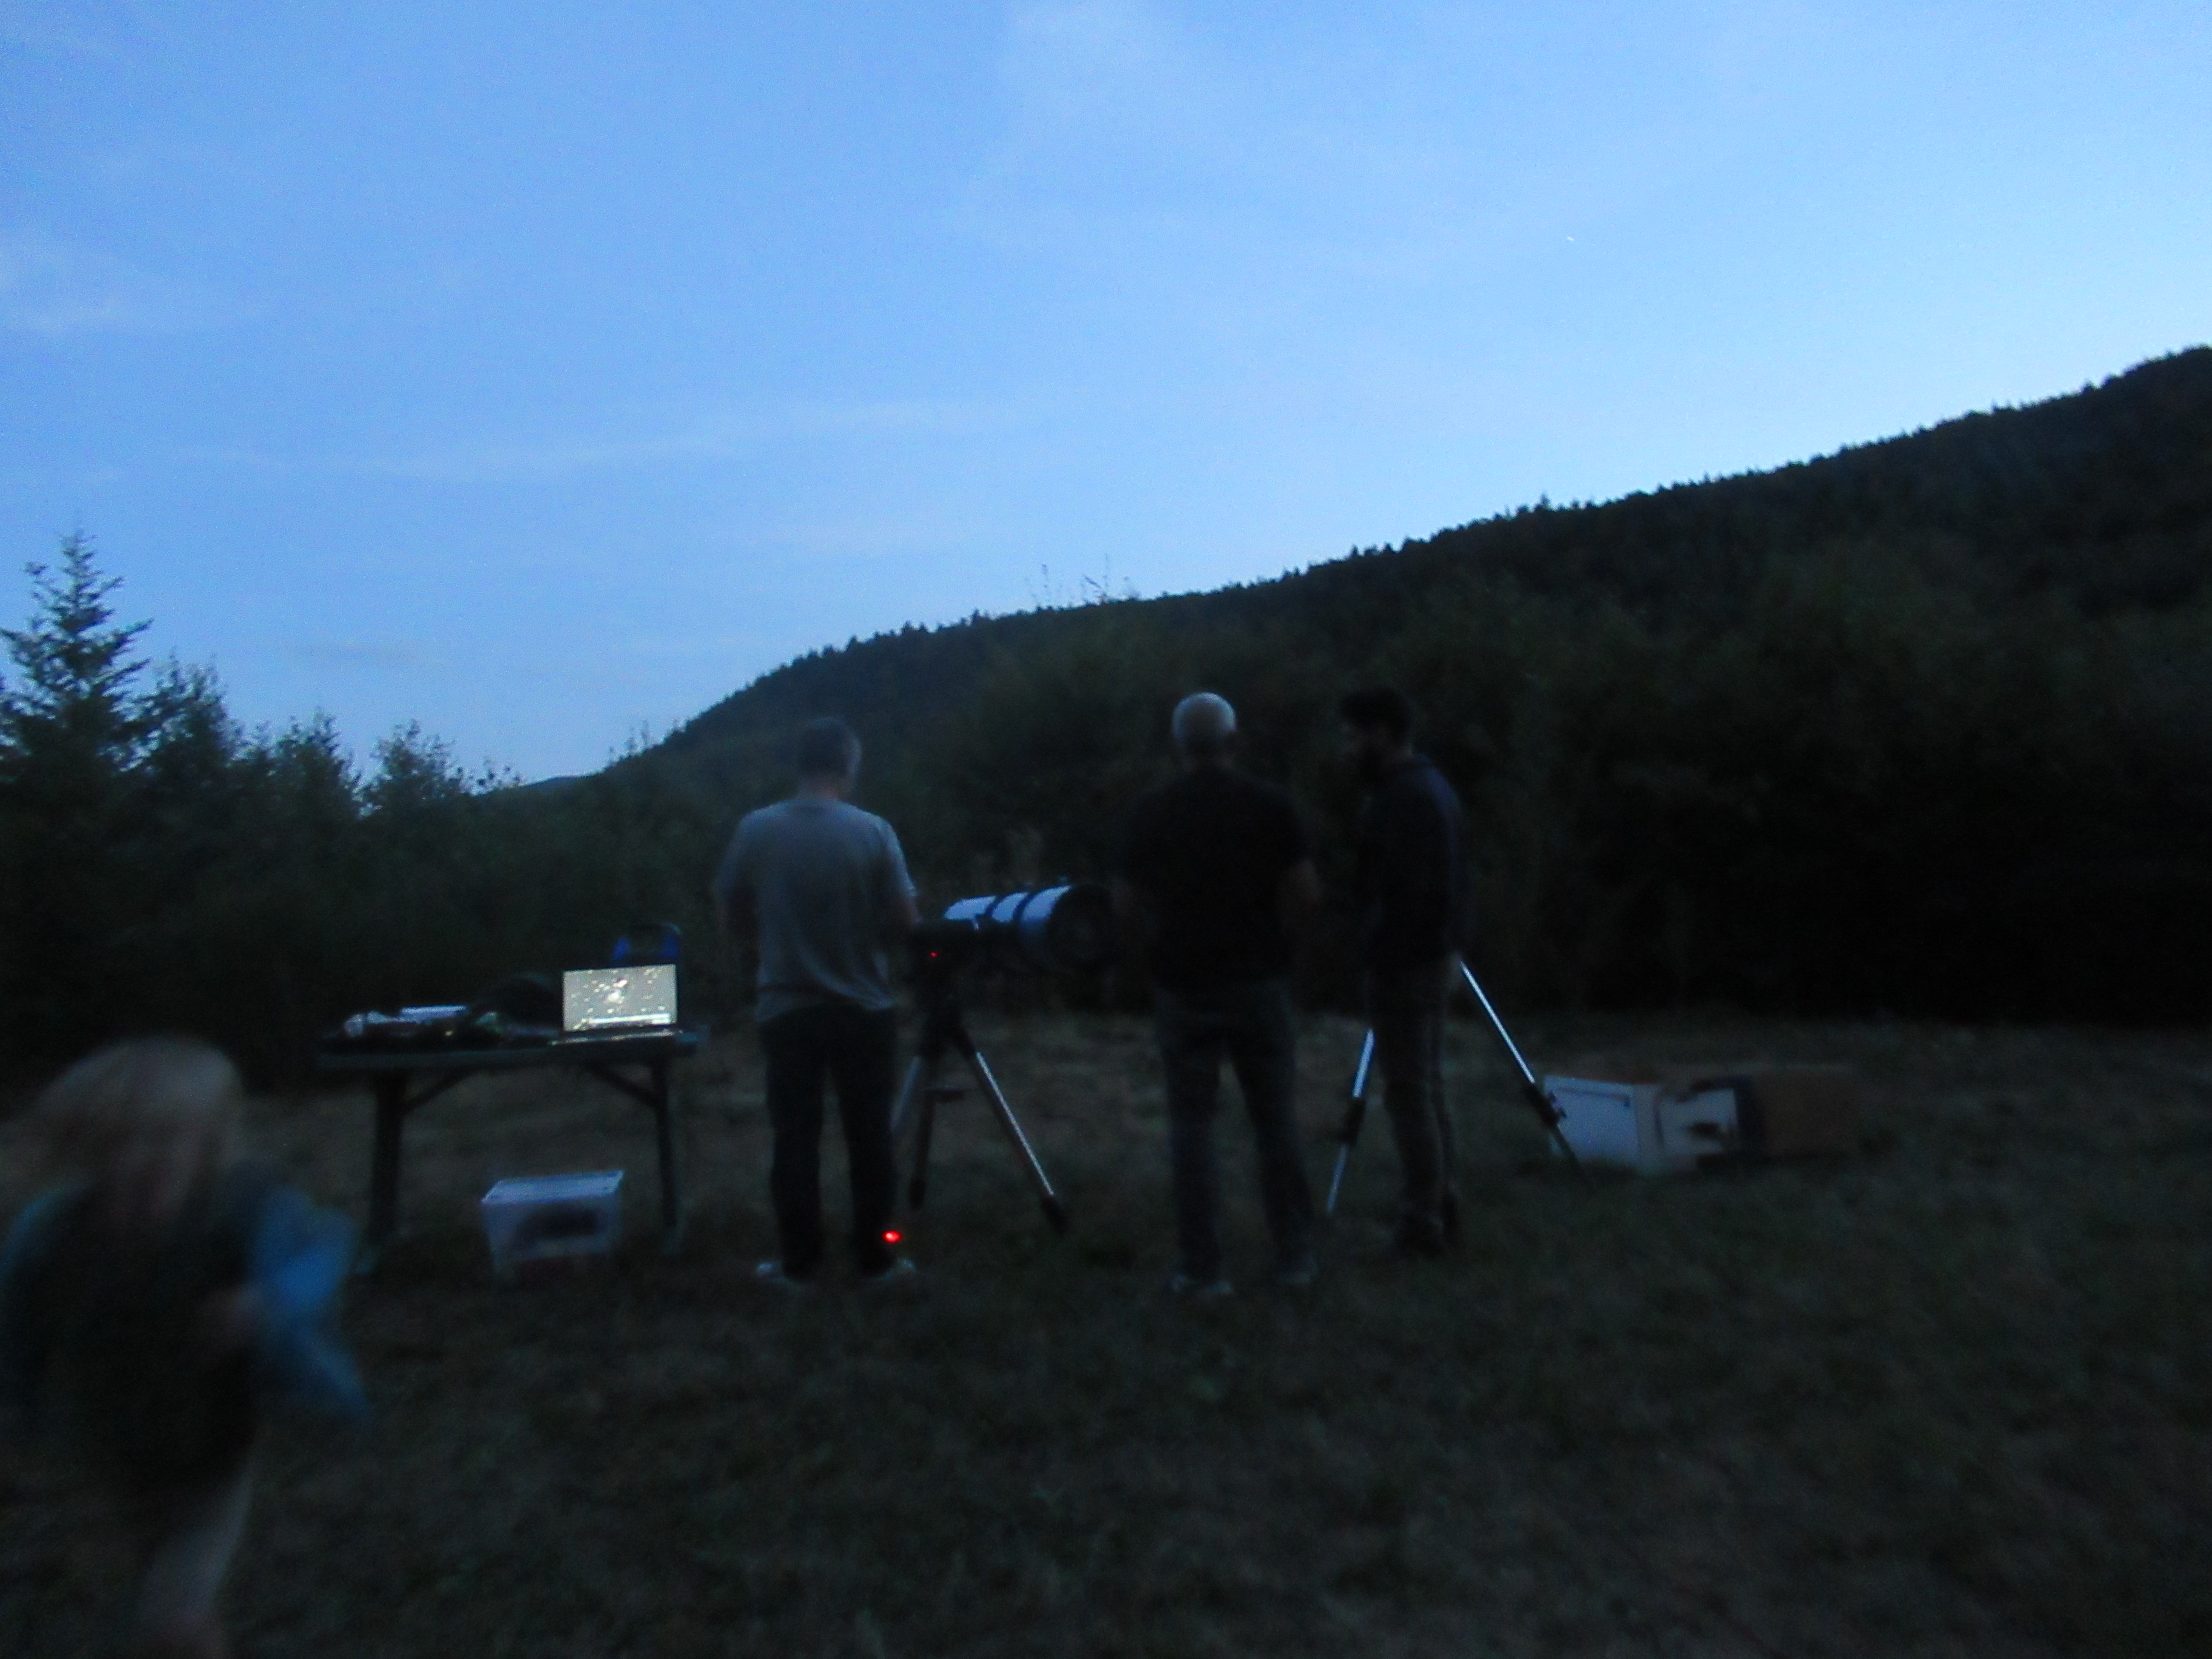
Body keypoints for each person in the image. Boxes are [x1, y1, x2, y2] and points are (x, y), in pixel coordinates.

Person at [0, 1036, 367, 1659]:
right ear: (84, 1150)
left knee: (171, 1613)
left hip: (216, 1443)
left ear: (207, 1145)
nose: (144, 1160)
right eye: (120, 1143)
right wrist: (15, 1406)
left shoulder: (239, 1210)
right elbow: (16, 1326)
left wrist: (266, 1300)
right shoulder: (53, 1235)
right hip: (117, 1444)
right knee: (165, 1588)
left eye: (169, 1140)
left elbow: (325, 1250)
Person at [1112, 693, 1321, 1295]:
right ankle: (1295, 1259)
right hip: (1258, 981)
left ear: (1178, 747)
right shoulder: (1270, 805)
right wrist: (1284, 950)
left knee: (1192, 1126)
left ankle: (1203, 1269)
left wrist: (1145, 962)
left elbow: (1123, 905)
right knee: (1275, 1119)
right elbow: (1307, 895)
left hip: (1184, 984)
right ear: (1235, 742)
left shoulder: (1151, 812)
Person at [711, 716, 920, 1289]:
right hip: (864, 1008)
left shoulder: (757, 829)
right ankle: (877, 1259)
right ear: (848, 765)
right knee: (870, 1138)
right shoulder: (874, 831)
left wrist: (761, 948)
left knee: (795, 1139)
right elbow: (907, 921)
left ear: (799, 765)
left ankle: (799, 1264)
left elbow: (728, 906)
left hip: (787, 1009)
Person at [1340, 686, 1471, 1257]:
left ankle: (1422, 1222)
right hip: (1435, 957)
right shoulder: (1433, 787)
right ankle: (1444, 1203)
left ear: (1383, 733)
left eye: (1353, 736)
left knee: (1409, 1094)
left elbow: (1405, 894)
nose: (1347, 749)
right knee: (1427, 1087)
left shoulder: (1405, 799)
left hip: (1408, 964)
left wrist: (1381, 954)